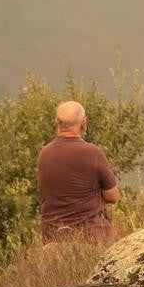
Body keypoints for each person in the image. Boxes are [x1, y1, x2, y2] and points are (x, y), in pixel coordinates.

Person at [37, 101, 120, 243]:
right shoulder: (92, 152)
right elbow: (112, 196)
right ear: (83, 123)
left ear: (56, 122)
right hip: (91, 235)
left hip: (52, 236)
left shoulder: (45, 153)